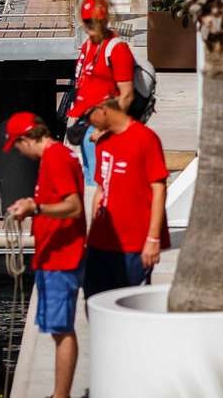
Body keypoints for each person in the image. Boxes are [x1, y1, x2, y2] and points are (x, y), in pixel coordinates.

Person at [3, 113, 83, 398]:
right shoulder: (55, 158)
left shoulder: (56, 158)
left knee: (61, 330)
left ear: (26, 139)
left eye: (17, 146)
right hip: (52, 256)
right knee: (57, 329)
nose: (18, 152)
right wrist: (31, 205)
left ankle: (60, 395)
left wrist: (36, 210)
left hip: (62, 258)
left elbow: (73, 206)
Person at [85, 96, 169, 298]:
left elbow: (159, 189)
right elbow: (101, 188)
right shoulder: (102, 142)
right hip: (101, 242)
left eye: (88, 115)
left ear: (103, 109)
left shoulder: (145, 138)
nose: (87, 122)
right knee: (94, 302)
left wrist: (153, 238)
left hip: (134, 244)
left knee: (130, 305)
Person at [68, 0, 135, 193]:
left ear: (104, 21)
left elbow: (126, 95)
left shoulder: (117, 49)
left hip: (101, 126)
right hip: (85, 122)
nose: (90, 26)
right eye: (87, 21)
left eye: (95, 21)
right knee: (91, 180)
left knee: (101, 185)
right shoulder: (88, 45)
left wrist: (106, 128)